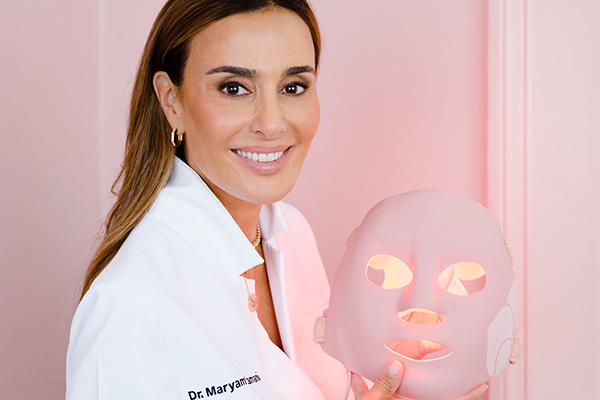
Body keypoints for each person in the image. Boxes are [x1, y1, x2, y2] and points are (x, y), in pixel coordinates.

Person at [65, 1, 488, 399]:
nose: (271, 123)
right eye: (233, 88)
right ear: (170, 100)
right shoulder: (128, 305)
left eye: (293, 86)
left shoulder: (291, 234)